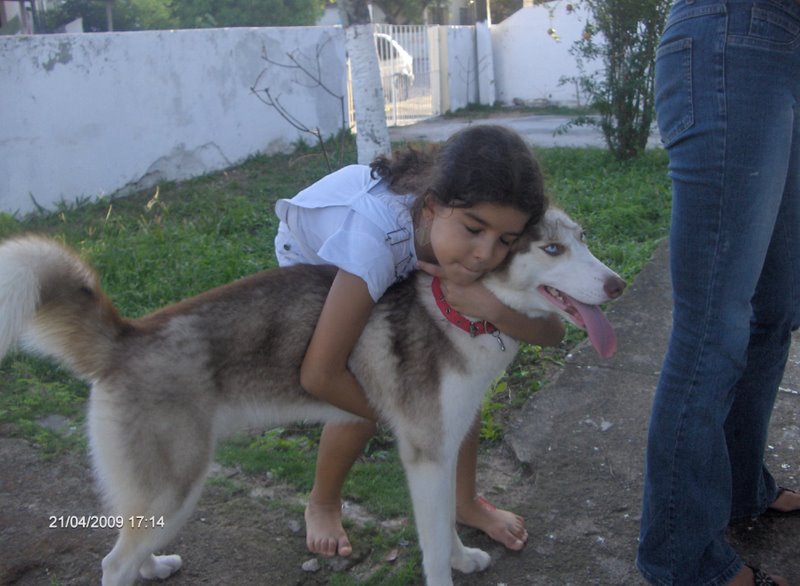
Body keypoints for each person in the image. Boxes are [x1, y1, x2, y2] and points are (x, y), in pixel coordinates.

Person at [273, 125, 565, 557]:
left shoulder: (473, 234)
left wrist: (490, 306)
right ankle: (323, 502)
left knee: (457, 382)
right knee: (364, 390)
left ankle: (464, 503)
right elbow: (319, 375)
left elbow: (553, 333)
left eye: (504, 240)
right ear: (431, 207)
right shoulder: (373, 244)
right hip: (319, 265)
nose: (485, 254)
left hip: (404, 252)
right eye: (474, 229)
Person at [637, 0, 800, 584]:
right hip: (735, 39)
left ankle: (736, 487)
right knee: (713, 325)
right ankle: (681, 559)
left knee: (774, 310)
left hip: (784, 47)